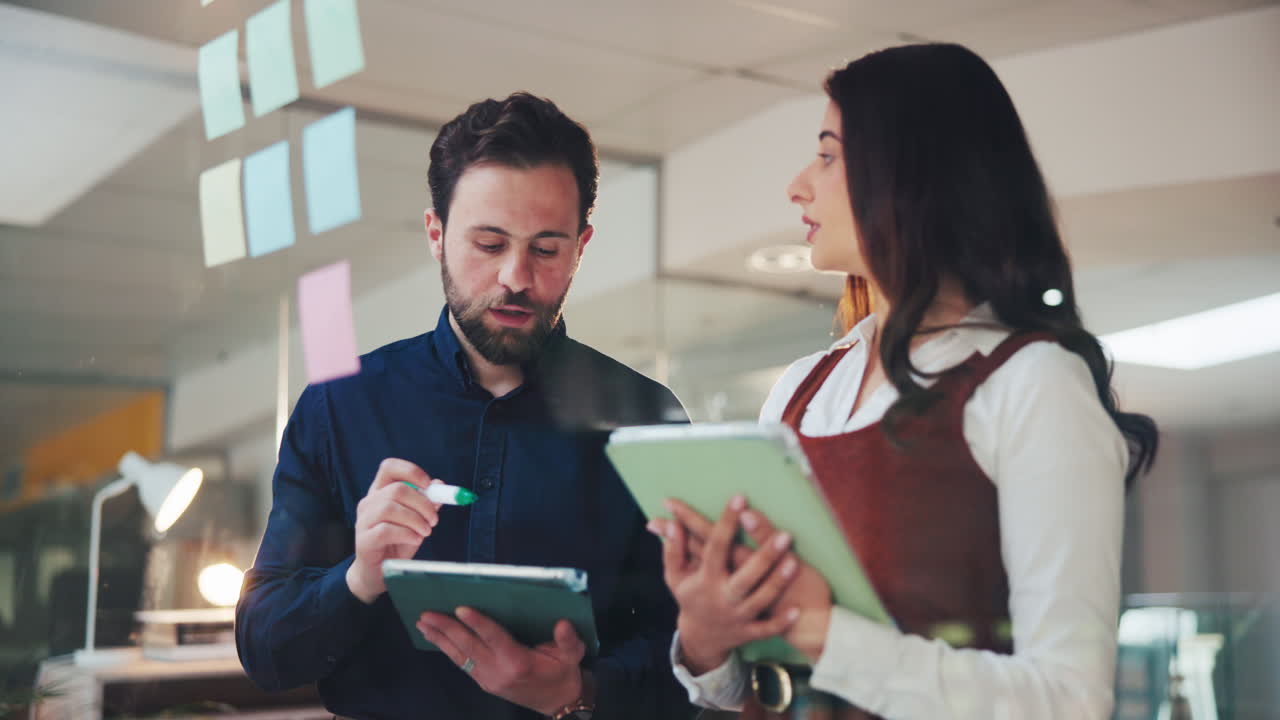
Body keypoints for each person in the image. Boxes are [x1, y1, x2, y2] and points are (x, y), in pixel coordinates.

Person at [650, 43, 1159, 719]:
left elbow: (1070, 701)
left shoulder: (1033, 382)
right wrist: (709, 639)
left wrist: (825, 633)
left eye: (828, 155)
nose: (798, 185)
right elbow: (764, 691)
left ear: (911, 175)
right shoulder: (801, 390)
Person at [236, 92, 693, 720]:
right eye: (489, 244)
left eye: (546, 249)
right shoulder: (339, 406)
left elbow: (696, 657)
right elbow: (265, 652)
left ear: (581, 246)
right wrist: (360, 577)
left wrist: (580, 690)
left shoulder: (645, 417)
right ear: (436, 234)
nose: (516, 277)